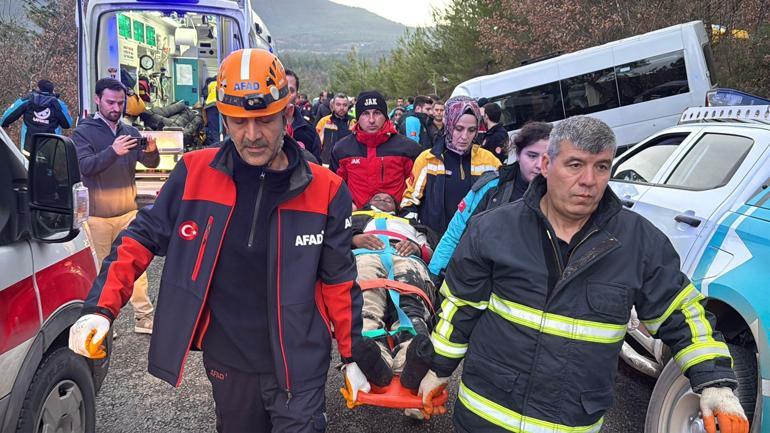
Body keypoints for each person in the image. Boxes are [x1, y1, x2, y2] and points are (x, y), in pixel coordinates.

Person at [68, 49, 374, 433]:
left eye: (264, 120)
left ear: (287, 115)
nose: (252, 135)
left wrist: (351, 354)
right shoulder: (194, 173)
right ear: (224, 120)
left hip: (301, 366)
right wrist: (101, 307)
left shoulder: (326, 189)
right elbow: (142, 236)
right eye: (238, 122)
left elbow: (339, 281)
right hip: (229, 363)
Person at [417, 116, 750, 433]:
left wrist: (715, 383)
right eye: (575, 165)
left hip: (571, 422)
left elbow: (682, 313)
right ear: (546, 165)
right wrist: (438, 370)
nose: (589, 180)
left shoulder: (639, 243)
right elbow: (460, 307)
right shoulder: (492, 230)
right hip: (486, 418)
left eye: (601, 166)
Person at [72, 77, 158, 335]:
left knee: (136, 269)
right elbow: (85, 166)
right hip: (97, 216)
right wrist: (113, 151)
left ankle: (144, 317)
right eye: (110, 102)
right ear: (97, 100)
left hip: (128, 211)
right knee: (102, 273)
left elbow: (150, 163)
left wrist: (152, 151)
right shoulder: (83, 132)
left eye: (120, 103)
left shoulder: (130, 132)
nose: (116, 107)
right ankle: (102, 322)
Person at [429, 121, 551, 281]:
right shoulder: (491, 186)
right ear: (518, 154)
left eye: (547, 158)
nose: (539, 165)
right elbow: (455, 233)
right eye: (532, 156)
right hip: (481, 280)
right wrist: (434, 275)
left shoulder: (565, 196)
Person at [346, 192, 438, 399]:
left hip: (406, 256)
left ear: (397, 208)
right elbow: (333, 238)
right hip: (365, 254)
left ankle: (410, 359)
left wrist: (417, 248)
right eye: (377, 198)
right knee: (365, 302)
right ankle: (377, 358)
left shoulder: (413, 225)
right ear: (367, 203)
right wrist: (354, 239)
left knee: (412, 303)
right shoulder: (353, 219)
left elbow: (434, 250)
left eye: (388, 199)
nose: (383, 199)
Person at [400, 96, 501, 236]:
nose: (464, 136)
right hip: (436, 241)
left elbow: (502, 202)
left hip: (476, 242)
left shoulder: (489, 161)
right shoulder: (427, 159)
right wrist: (418, 235)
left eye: (471, 130)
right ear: (448, 124)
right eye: (458, 129)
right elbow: (409, 203)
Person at [330, 90, 421, 209]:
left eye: (377, 113)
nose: (371, 120)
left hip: (396, 218)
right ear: (358, 118)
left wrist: (407, 211)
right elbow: (334, 188)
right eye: (365, 114)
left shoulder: (409, 149)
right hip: (357, 217)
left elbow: (417, 189)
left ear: (385, 116)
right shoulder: (342, 149)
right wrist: (347, 206)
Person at [1, 79, 73, 151]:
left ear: (38, 88)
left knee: (26, 158)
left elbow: (6, 117)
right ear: (52, 90)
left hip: (28, 148)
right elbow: (67, 124)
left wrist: (4, 124)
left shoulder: (27, 100)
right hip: (50, 151)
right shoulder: (58, 104)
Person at [285, 69, 322, 161]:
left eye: (290, 90)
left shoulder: (310, 131)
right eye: (281, 89)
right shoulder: (261, 127)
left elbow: (316, 165)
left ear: (297, 95)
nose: (285, 95)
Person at [316, 92, 355, 165]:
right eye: (338, 104)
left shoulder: (354, 123)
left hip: (347, 164)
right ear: (333, 106)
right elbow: (316, 144)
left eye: (344, 105)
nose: (342, 108)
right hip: (327, 164)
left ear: (348, 106)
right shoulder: (324, 122)